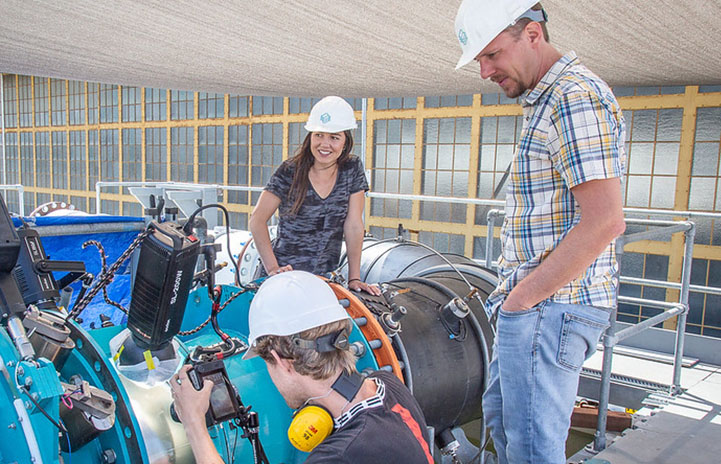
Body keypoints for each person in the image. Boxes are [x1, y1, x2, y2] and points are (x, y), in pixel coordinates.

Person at [454, 1, 627, 463]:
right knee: (504, 427)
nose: (486, 71)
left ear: (532, 34)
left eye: (492, 55)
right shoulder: (546, 100)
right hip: (537, 307)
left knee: (532, 450)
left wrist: (522, 299)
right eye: (480, 61)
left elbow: (605, 220)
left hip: (551, 308)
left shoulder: (572, 97)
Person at [170, 271, 435, 464]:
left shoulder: (341, 455)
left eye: (267, 365)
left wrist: (194, 422)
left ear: (283, 361)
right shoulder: (386, 386)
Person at [248, 96, 380, 296]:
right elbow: (257, 220)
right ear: (310, 136)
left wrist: (355, 278)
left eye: (334, 137)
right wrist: (273, 269)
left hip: (321, 279)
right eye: (319, 135)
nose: (324, 144)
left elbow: (353, 225)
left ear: (346, 141)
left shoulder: (352, 169)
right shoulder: (289, 171)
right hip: (283, 278)